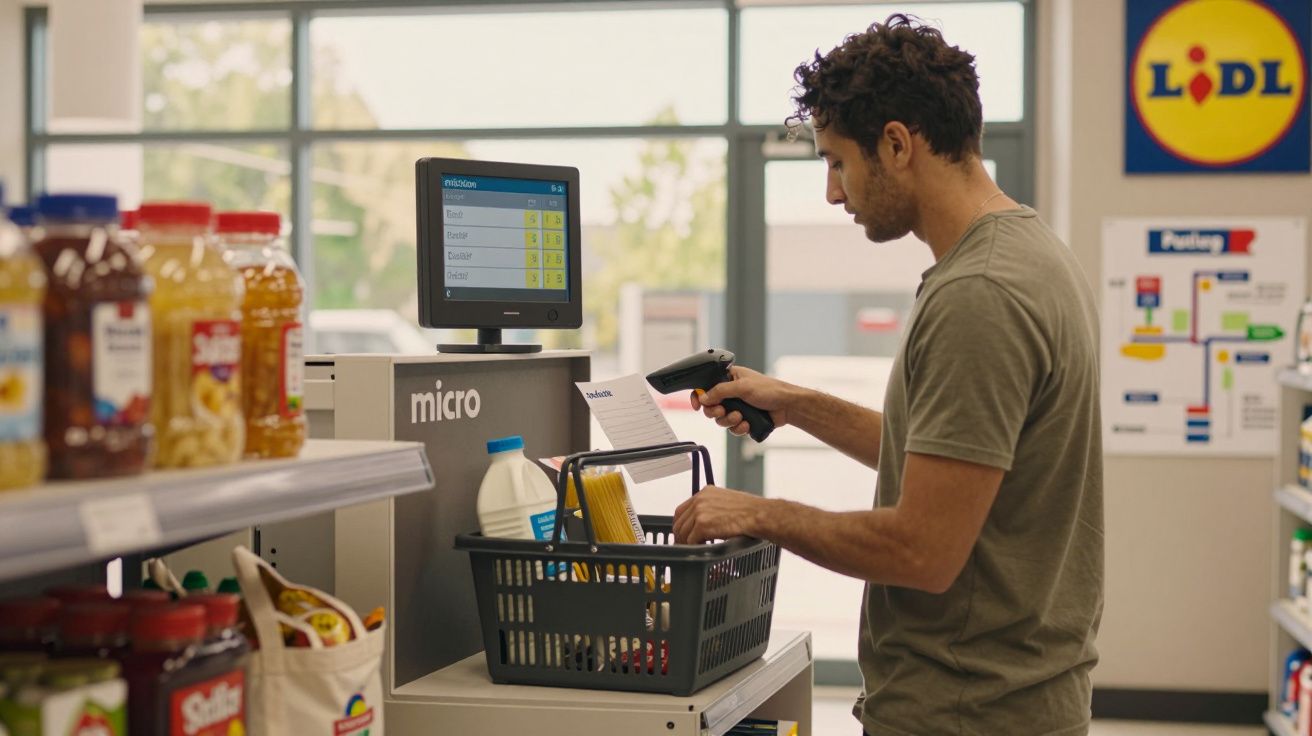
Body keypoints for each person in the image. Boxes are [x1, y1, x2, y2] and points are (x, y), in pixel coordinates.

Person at [671, 14, 1103, 736]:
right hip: (1014, 700)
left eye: (838, 162)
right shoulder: (1028, 253)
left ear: (898, 145)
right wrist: (796, 403)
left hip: (967, 711)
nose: (835, 194)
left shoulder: (981, 296)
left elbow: (922, 550)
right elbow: (951, 462)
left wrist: (757, 513)